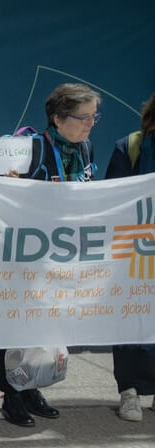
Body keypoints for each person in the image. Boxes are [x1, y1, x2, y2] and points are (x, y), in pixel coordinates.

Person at [0, 83, 101, 427]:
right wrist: (6, 181)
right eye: (83, 117)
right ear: (58, 117)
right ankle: (12, 394)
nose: (90, 124)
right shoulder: (31, 147)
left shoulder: (85, 149)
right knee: (18, 326)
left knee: (46, 324)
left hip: (63, 255)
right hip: (25, 255)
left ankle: (33, 386)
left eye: (94, 117)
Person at [104, 91, 155, 421]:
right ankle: (129, 392)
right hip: (137, 248)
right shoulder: (131, 146)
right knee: (131, 316)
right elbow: (112, 197)